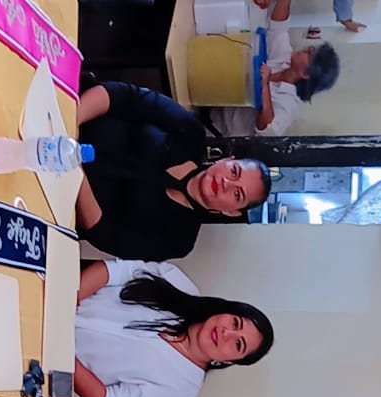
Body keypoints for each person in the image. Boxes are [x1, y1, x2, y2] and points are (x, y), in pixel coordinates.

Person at [76, 81, 271, 261]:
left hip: (66, 202)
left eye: (237, 194)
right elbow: (124, 96)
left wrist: (75, 171)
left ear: (231, 212)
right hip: (73, 123)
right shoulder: (190, 132)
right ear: (226, 160)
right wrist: (73, 123)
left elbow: (103, 234)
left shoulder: (179, 240)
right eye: (234, 172)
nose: (226, 183)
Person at [74, 258, 274, 397]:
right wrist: (69, 299)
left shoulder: (181, 390)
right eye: (235, 322)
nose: (226, 333)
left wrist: (64, 355)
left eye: (238, 344)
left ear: (229, 362)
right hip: (63, 291)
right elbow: (113, 271)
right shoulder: (179, 283)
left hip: (60, 362)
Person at [208, 0, 340, 138]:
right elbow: (278, 29)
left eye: (309, 54)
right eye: (311, 49)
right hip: (215, 97)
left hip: (218, 130)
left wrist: (265, 87)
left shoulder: (289, 104)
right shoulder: (285, 62)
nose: (306, 49)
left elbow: (267, 128)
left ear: (305, 73)